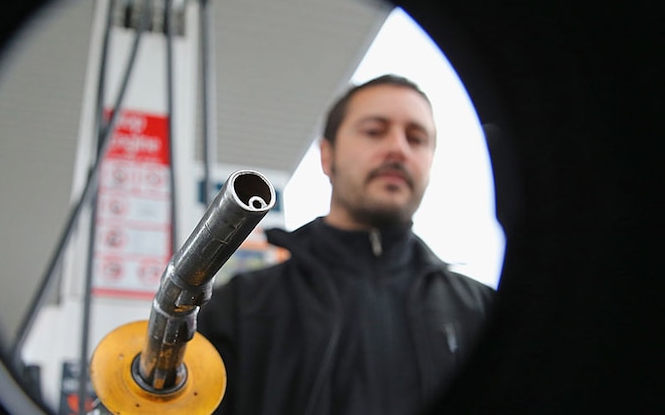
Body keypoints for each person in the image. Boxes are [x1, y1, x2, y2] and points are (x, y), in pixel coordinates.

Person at [196, 74, 496, 415]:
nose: (399, 148)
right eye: (374, 131)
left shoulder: (483, 310)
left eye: (417, 138)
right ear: (327, 156)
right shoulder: (239, 309)